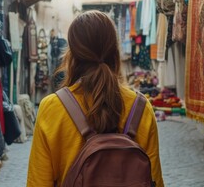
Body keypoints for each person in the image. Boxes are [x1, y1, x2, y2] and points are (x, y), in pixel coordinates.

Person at [27, 10, 164, 186]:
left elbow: (38, 182)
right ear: (115, 52)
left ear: (72, 55)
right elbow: (154, 181)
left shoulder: (51, 108)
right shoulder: (140, 107)